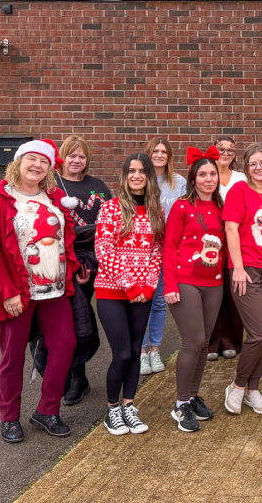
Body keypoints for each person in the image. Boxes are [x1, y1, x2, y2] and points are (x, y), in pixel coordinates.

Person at [0, 139, 79, 443]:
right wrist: (8, 291)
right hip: (18, 291)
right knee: (12, 356)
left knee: (65, 344)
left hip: (55, 288)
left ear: (50, 168)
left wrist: (76, 267)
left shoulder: (55, 196)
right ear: (18, 162)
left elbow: (66, 235)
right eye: (31, 159)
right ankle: (9, 417)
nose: (37, 165)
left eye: (44, 161)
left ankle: (47, 410)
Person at [94, 153, 164, 435]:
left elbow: (156, 253)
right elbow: (104, 250)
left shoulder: (156, 211)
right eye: (131, 171)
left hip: (143, 294)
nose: (137, 176)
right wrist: (131, 286)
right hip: (112, 291)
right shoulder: (111, 208)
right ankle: (112, 409)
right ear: (124, 176)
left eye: (142, 171)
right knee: (122, 353)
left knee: (136, 351)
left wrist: (148, 287)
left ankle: (128, 406)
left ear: (149, 177)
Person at [164, 146, 227, 433]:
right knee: (193, 340)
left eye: (213, 174)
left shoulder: (222, 207)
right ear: (193, 178)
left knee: (204, 342)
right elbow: (169, 246)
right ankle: (180, 404)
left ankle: (191, 396)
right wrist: (169, 284)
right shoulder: (182, 206)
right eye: (202, 175)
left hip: (215, 282)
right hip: (185, 280)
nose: (208, 179)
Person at [45, 135, 110, 406]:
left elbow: (110, 222)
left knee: (80, 318)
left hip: (95, 261)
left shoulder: (98, 186)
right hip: (64, 261)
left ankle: (76, 376)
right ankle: (75, 376)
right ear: (62, 158)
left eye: (82, 156)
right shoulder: (51, 185)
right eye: (72, 155)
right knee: (69, 321)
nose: (77, 160)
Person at [222, 143, 262, 417]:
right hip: (246, 268)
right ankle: (237, 386)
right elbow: (231, 230)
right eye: (253, 164)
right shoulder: (239, 191)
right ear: (246, 168)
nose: (258, 167)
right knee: (259, 332)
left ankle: (253, 389)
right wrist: (237, 267)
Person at [140, 136, 186, 375]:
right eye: (155, 151)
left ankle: (155, 350)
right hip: (142, 249)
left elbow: (186, 212)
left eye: (163, 152)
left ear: (169, 156)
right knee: (141, 300)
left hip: (166, 249)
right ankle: (141, 352)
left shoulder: (178, 182)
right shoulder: (140, 178)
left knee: (159, 301)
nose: (159, 155)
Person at [208, 134, 246, 361]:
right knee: (211, 294)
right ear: (213, 150)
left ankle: (231, 340)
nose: (226, 153)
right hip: (209, 241)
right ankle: (211, 342)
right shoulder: (206, 174)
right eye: (221, 149)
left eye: (230, 149)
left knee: (233, 293)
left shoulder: (241, 178)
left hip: (235, 241)